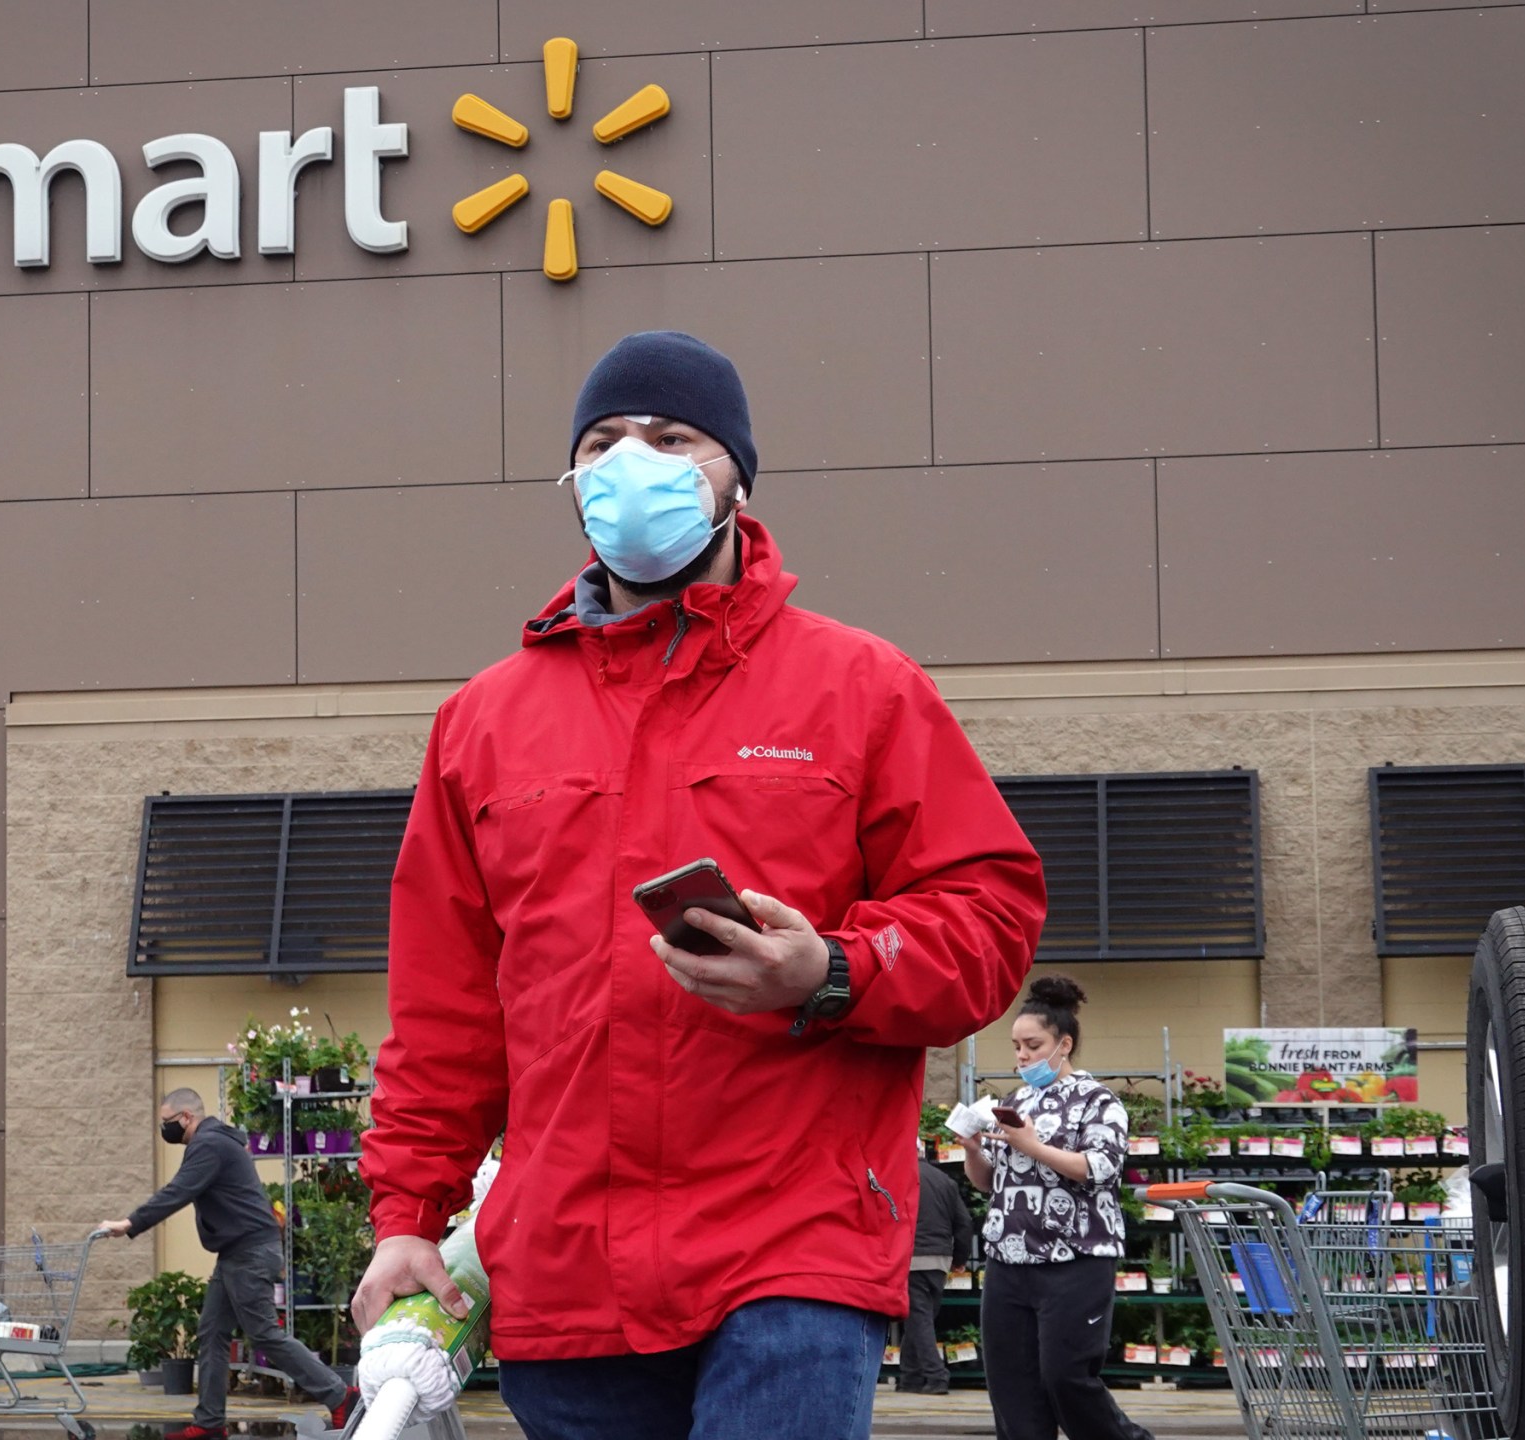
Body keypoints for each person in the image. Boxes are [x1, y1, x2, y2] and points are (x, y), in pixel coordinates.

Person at [352, 330, 1048, 1440]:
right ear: (571, 483)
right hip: (567, 1269)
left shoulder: (860, 687)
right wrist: (405, 1220)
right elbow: (445, 1012)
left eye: (672, 438)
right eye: (602, 442)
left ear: (734, 475)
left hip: (794, 1246)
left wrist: (829, 970)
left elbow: (990, 915)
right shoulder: (480, 722)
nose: (634, 461)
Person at [96, 1089, 359, 1440]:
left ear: (187, 1117)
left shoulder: (209, 1145)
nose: (165, 1129)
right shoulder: (218, 1141)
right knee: (212, 1334)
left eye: (168, 1122)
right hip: (238, 1252)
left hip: (248, 1252)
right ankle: (209, 1423)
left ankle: (341, 1396)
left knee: (264, 1333)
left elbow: (178, 1191)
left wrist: (131, 1223)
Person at [965, 977, 1155, 1440]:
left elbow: (1101, 1168)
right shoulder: (1013, 1102)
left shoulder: (1099, 1101)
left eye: (1033, 1045)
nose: (1022, 1056)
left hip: (1075, 1259)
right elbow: (992, 1182)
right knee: (1012, 1387)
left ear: (1063, 1044)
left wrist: (1030, 1145)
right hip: (1008, 1261)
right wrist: (973, 1148)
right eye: (1016, 1046)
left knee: (1066, 1377)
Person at [897, 1139, 976, 1394]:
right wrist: (960, 1259)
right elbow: (964, 1222)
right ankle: (910, 1377)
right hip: (939, 1260)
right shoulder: (946, 1182)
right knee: (920, 1318)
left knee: (919, 1319)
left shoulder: (900, 1178)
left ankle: (937, 1376)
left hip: (910, 1258)